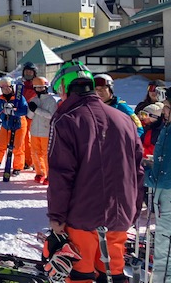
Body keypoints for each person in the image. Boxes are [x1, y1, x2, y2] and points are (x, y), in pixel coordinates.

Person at [45, 60, 143, 283]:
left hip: (82, 217)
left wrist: (57, 217)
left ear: (65, 87)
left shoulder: (66, 120)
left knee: (80, 275)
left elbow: (61, 175)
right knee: (113, 274)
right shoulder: (124, 119)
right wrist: (133, 209)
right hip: (119, 215)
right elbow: (138, 171)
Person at [146, 95, 171, 281]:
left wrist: (143, 172)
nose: (164, 111)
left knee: (165, 249)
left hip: (167, 195)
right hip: (165, 193)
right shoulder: (167, 128)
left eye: (167, 107)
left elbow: (162, 175)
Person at [0, 76, 28, 177]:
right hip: (6, 124)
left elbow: (24, 110)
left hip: (19, 124)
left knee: (18, 147)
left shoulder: (19, 98)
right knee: (0, 145)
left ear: (12, 87)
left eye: (7, 87)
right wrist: (2, 107)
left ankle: (17, 167)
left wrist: (14, 111)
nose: (5, 89)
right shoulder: (0, 99)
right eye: (3, 88)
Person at [27, 76, 58, 185]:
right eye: (37, 87)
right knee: (35, 153)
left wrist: (37, 110)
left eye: (41, 87)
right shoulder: (34, 100)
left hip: (46, 132)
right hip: (35, 131)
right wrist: (31, 110)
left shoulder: (51, 100)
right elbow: (29, 116)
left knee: (46, 154)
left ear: (46, 87)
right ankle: (39, 173)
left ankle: (49, 174)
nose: (39, 89)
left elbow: (51, 115)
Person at [21, 62, 38, 170]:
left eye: (30, 72)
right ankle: (27, 161)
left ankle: (36, 161)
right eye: (26, 71)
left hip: (35, 116)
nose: (28, 73)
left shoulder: (37, 86)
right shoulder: (21, 86)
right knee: (24, 139)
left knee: (35, 139)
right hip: (23, 116)